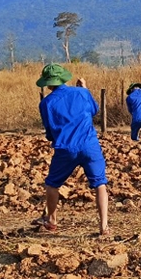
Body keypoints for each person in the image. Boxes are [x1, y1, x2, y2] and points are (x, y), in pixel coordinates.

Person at [34, 63, 110, 236]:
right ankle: (104, 227)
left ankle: (52, 220)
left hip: (65, 148)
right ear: (63, 78)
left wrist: (56, 139)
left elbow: (49, 130)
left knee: (52, 184)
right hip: (90, 146)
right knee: (100, 184)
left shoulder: (46, 103)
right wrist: (85, 88)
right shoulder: (82, 93)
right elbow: (94, 110)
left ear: (48, 83)